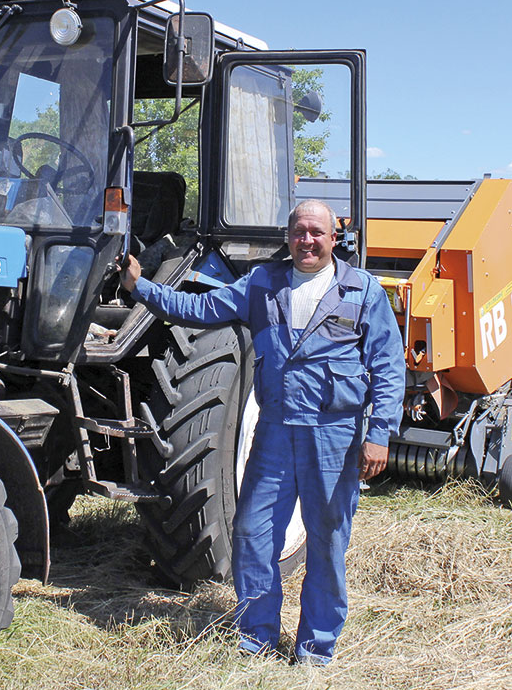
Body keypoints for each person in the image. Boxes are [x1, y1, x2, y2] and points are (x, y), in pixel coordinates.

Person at [120, 199, 406, 664]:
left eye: (317, 232)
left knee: (328, 541)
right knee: (252, 533)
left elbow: (389, 368)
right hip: (274, 433)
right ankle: (256, 636)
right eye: (299, 232)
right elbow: (199, 308)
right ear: (287, 237)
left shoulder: (361, 291)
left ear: (334, 239)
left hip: (334, 437)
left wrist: (379, 433)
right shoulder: (262, 284)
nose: (307, 240)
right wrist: (141, 287)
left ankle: (316, 648)